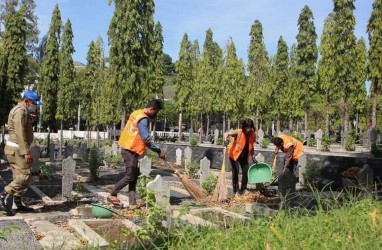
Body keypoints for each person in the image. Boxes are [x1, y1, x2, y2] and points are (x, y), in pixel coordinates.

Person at [108, 99, 166, 207]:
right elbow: (146, 139)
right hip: (130, 149)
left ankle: (133, 203)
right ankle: (112, 194)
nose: (156, 114)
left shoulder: (136, 113)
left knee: (133, 176)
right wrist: (158, 150)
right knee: (130, 176)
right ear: (151, 109)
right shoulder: (143, 119)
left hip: (130, 148)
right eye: (156, 112)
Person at [0, 91, 42, 216]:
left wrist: (31, 119)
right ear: (27, 101)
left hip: (16, 149)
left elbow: (24, 128)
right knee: (24, 176)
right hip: (17, 149)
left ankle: (17, 203)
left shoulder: (24, 111)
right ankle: (3, 196)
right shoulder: (20, 111)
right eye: (34, 103)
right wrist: (26, 152)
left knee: (19, 176)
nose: (35, 106)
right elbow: (20, 133)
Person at [224, 119, 257, 196]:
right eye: (247, 127)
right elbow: (226, 134)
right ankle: (235, 190)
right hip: (234, 155)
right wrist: (225, 139)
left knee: (246, 172)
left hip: (244, 156)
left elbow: (251, 146)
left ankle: (243, 189)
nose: (248, 129)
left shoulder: (253, 134)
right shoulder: (238, 132)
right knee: (236, 172)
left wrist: (253, 156)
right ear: (244, 127)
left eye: (250, 127)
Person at [272, 134, 304, 205]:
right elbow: (278, 145)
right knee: (285, 169)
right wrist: (277, 149)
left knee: (289, 170)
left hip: (297, 150)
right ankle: (284, 182)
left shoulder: (288, 145)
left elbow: (288, 156)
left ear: (282, 144)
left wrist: (286, 166)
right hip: (289, 151)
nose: (278, 147)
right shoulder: (279, 138)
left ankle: (289, 189)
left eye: (279, 146)